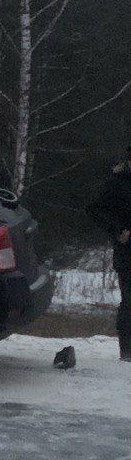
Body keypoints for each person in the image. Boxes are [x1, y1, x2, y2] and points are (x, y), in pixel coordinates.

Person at [86, 145, 131, 360]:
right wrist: (118, 230)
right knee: (130, 301)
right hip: (127, 251)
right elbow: (95, 209)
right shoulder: (117, 183)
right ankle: (127, 350)